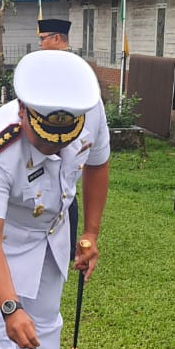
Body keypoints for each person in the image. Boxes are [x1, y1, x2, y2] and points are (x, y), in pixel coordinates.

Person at [0, 50, 108, 349]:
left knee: (46, 326)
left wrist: (91, 232)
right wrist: (11, 307)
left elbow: (97, 163)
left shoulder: (88, 110)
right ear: (23, 112)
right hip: (1, 237)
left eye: (64, 142)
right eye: (45, 142)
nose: (55, 149)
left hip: (51, 232)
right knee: (3, 336)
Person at [35, 18, 109, 268]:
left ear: (57, 39)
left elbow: (98, 162)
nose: (40, 44)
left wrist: (90, 233)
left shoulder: (83, 82)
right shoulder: (37, 75)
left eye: (43, 38)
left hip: (63, 201)